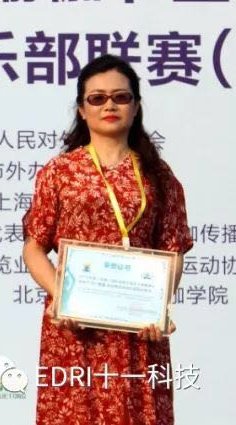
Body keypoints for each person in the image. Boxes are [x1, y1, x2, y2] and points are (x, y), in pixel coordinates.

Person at [22, 55, 191, 425]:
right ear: (82, 110)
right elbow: (34, 245)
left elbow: (173, 249)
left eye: (121, 97)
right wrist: (60, 296)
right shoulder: (59, 172)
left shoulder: (159, 175)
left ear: (136, 107)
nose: (109, 105)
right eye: (97, 98)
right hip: (73, 330)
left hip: (138, 334)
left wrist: (157, 306)